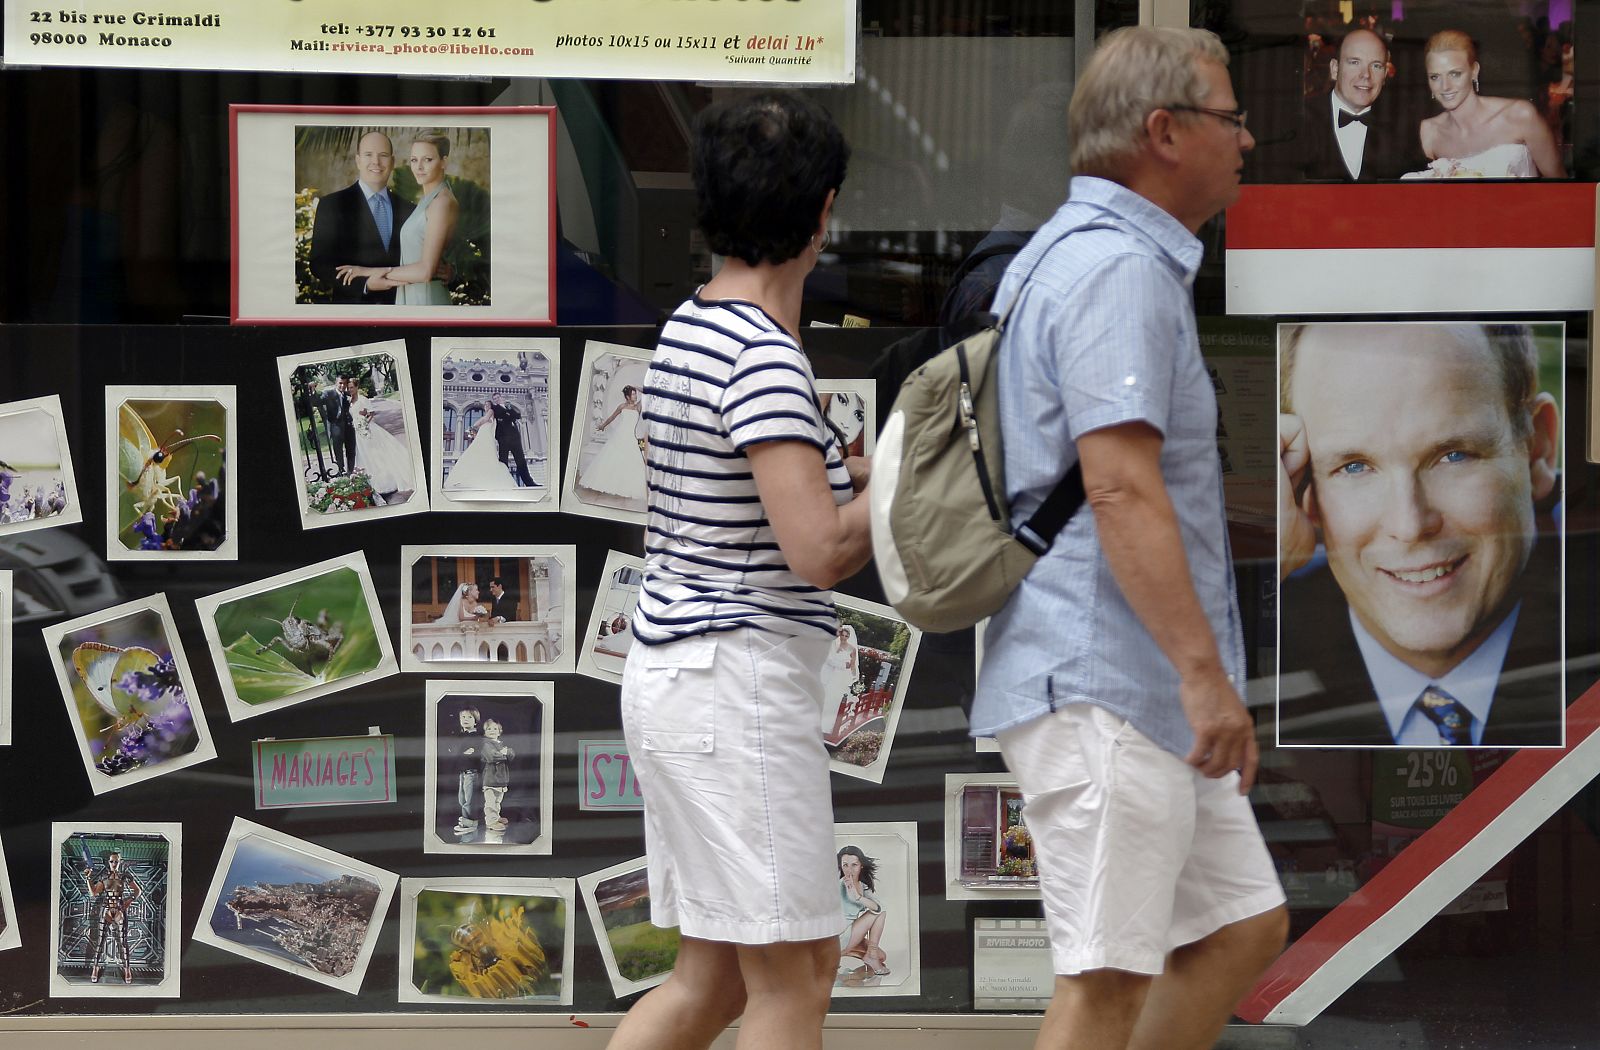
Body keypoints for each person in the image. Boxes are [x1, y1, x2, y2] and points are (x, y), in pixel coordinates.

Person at [969, 28, 1288, 1050]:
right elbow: (1119, 488)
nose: (1246, 141)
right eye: (1231, 119)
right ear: (1164, 131)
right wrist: (1204, 675)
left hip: (1127, 682)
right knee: (1102, 980)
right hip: (1106, 681)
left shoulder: (1079, 254)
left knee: (1240, 925)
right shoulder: (1115, 270)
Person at [608, 91, 873, 1050]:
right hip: (736, 688)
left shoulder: (693, 326)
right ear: (821, 213)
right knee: (797, 978)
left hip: (679, 677)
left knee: (712, 979)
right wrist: (906, 487)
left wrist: (850, 477)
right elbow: (820, 549)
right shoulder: (763, 354)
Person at [1276, 323, 1563, 746]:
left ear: (1538, 449)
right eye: (1354, 466)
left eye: (1454, 455)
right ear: (1299, 486)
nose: (1409, 525)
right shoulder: (1262, 653)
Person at [1408, 30, 1564, 179]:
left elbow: (1563, 188)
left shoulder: (1520, 115)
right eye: (1435, 77)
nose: (1445, 86)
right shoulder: (1429, 132)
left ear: (1474, 71)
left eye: (1455, 74)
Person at [336, 133, 460, 304]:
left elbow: (425, 271)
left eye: (428, 159)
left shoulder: (441, 202)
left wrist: (366, 271)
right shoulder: (425, 202)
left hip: (425, 298)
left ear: (444, 162)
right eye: (414, 160)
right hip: (409, 293)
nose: (419, 167)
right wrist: (452, 271)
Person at [1302, 28, 1424, 181]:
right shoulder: (1300, 118)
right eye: (1354, 62)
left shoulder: (1403, 127)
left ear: (1385, 75)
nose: (1366, 75)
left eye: (1376, 66)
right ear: (1335, 69)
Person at [307, 131, 415, 304]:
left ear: (392, 162)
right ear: (358, 160)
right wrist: (364, 284)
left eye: (383, 155)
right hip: (353, 311)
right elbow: (320, 264)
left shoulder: (410, 210)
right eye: (368, 155)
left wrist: (449, 271)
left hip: (402, 309)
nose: (376, 162)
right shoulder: (332, 204)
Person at [579, 385, 648, 502]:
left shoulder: (638, 407)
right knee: (611, 460)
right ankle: (605, 485)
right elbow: (612, 417)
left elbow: (647, 392)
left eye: (635, 394)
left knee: (630, 462)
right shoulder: (622, 406)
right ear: (627, 396)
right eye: (633, 394)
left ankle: (625, 486)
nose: (635, 396)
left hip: (631, 437)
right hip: (619, 436)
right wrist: (602, 426)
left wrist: (635, 387)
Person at [347, 385, 414, 500]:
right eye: (349, 388)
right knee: (365, 455)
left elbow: (371, 414)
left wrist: (365, 423)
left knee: (376, 453)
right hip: (358, 433)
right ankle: (369, 481)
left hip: (368, 429)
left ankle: (384, 480)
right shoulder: (349, 401)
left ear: (357, 387)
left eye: (352, 387)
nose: (350, 390)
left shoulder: (363, 400)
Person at [84, 848, 140, 984]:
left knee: (123, 941)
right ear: (108, 862)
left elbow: (138, 891)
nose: (114, 863)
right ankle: (95, 969)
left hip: (120, 910)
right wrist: (88, 878)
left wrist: (129, 900)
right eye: (112, 861)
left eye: (116, 861)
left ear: (120, 862)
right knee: (100, 941)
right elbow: (93, 893)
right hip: (106, 910)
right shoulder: (103, 877)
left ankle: (127, 969)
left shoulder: (125, 876)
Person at [836, 845, 889, 977]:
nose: (849, 869)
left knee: (881, 956)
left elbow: (877, 907)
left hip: (851, 933)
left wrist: (857, 896)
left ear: (861, 866)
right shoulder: (838, 885)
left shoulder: (863, 887)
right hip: (839, 935)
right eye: (845, 865)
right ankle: (869, 955)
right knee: (880, 913)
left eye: (854, 865)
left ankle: (841, 954)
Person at [445, 410, 518, 491]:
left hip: (486, 441)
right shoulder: (488, 422)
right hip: (484, 441)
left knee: (482, 459)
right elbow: (474, 428)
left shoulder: (490, 420)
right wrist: (474, 432)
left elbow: (476, 425)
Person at [818, 624, 859, 740]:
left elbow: (852, 666)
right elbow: (829, 660)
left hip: (842, 677)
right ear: (840, 634)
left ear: (849, 637)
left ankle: (831, 726)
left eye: (847, 636)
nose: (844, 637)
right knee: (828, 698)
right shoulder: (834, 645)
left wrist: (855, 679)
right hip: (832, 675)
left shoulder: (852, 649)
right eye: (842, 635)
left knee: (837, 699)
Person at [488, 392, 537, 486]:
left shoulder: (508, 407)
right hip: (503, 439)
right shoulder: (495, 409)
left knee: (521, 461)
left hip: (515, 438)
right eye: (495, 399)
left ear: (502, 398)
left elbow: (517, 416)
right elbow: (507, 416)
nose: (497, 399)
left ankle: (529, 483)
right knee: (503, 462)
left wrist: (509, 411)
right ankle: (503, 484)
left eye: (498, 397)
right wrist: (509, 415)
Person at [446, 705, 482, 836]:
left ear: (475, 720)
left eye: (469, 717)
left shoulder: (478, 736)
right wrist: (461, 751)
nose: (465, 719)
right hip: (462, 772)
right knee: (462, 799)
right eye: (463, 717)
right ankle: (465, 820)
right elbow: (453, 751)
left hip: (471, 772)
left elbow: (475, 752)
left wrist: (463, 751)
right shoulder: (460, 736)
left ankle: (471, 822)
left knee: (469, 799)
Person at [316, 376, 356, 476]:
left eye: (345, 383)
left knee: (351, 449)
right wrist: (312, 391)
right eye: (340, 383)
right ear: (336, 383)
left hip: (348, 427)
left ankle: (351, 472)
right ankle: (341, 469)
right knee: (338, 449)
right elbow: (316, 402)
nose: (343, 386)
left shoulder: (347, 395)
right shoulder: (328, 394)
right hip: (336, 427)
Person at [479, 716, 514, 831]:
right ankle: (491, 822)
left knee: (497, 801)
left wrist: (506, 752)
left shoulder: (501, 744)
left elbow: (512, 754)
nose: (492, 731)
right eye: (489, 729)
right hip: (490, 779)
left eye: (495, 729)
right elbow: (491, 757)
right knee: (490, 802)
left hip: (501, 779)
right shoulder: (486, 744)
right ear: (485, 732)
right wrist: (504, 754)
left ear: (500, 731)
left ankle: (496, 817)